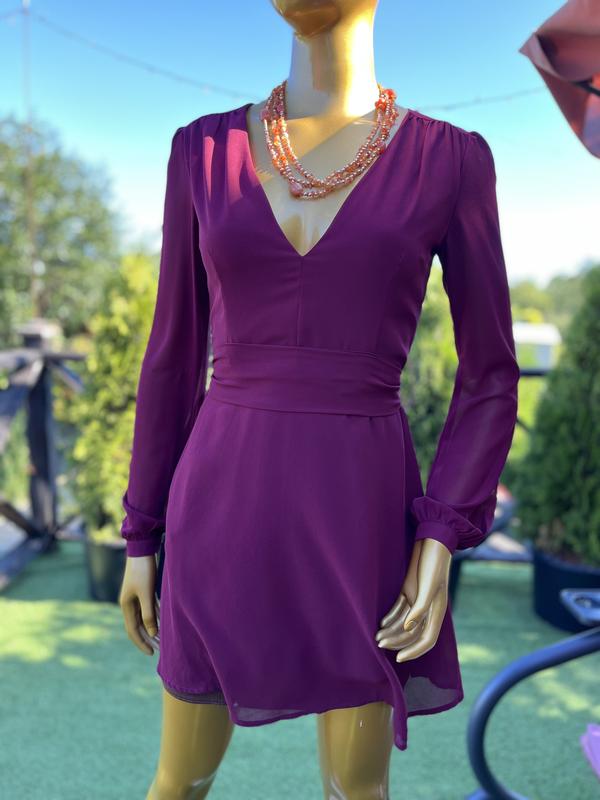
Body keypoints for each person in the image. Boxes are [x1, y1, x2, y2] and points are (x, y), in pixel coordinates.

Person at [118, 1, 520, 797]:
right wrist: (140, 531)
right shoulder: (202, 150)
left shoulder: (452, 160)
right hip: (220, 498)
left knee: (355, 790)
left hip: (361, 507)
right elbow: (172, 354)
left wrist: (441, 533)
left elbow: (490, 371)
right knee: (178, 781)